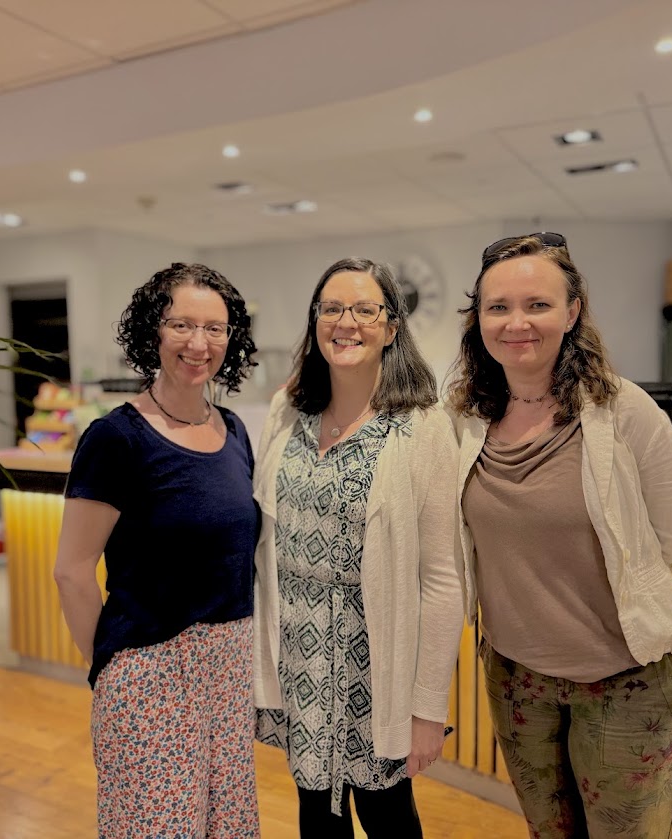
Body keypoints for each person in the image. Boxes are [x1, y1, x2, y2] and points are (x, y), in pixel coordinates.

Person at [447, 233, 672, 839]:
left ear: (572, 312)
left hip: (627, 680)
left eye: (537, 304)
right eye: (498, 307)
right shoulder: (462, 418)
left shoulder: (626, 411)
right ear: (478, 319)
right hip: (516, 681)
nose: (516, 323)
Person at [252, 257, 464, 838]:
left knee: (388, 818)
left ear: (391, 327)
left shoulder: (422, 426)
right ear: (315, 320)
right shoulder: (286, 411)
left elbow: (442, 578)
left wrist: (427, 708)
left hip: (377, 668)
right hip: (300, 661)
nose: (346, 322)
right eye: (331, 308)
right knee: (315, 819)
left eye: (365, 310)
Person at [53, 262, 261, 839]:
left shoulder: (234, 431)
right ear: (153, 331)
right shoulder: (116, 438)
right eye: (181, 325)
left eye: (215, 328)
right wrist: (113, 670)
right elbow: (72, 571)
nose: (199, 343)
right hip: (150, 675)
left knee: (228, 827)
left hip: (229, 671)